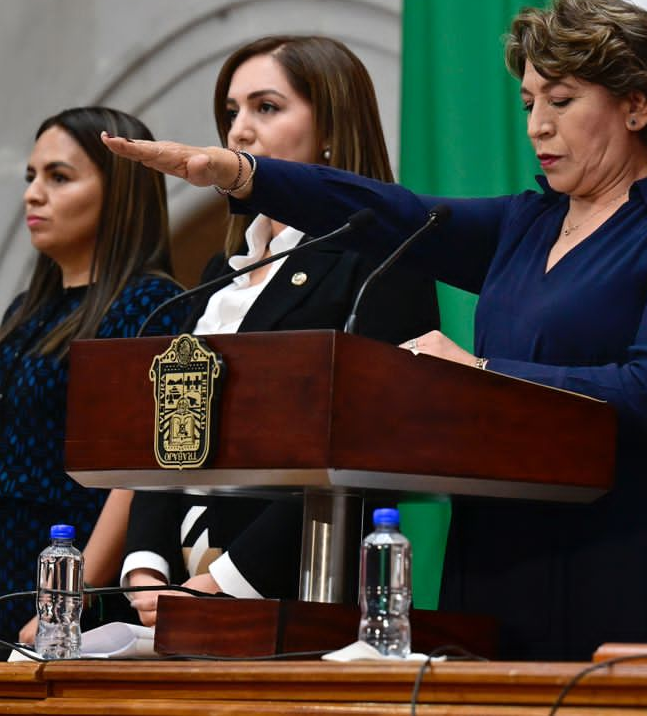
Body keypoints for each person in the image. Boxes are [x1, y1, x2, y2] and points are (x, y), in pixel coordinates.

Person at [104, 0, 647, 661]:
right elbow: (392, 212)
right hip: (504, 536)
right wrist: (246, 174)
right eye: (529, 103)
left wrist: (479, 374)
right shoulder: (525, 225)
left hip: (630, 532)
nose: (537, 126)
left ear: (637, 104)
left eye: (561, 101)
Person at [118, 37, 438, 625]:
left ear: (332, 130)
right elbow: (172, 427)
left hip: (302, 590)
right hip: (169, 591)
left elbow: (368, 441)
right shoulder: (217, 275)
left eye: (265, 108)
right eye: (231, 112)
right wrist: (145, 567)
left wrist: (221, 583)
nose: (238, 131)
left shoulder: (381, 259)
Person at [0, 107, 186, 644]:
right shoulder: (25, 308)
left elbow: (138, 472)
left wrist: (70, 599)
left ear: (119, 192)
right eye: (31, 177)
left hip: (77, 594)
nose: (33, 194)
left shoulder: (153, 304)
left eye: (58, 177)